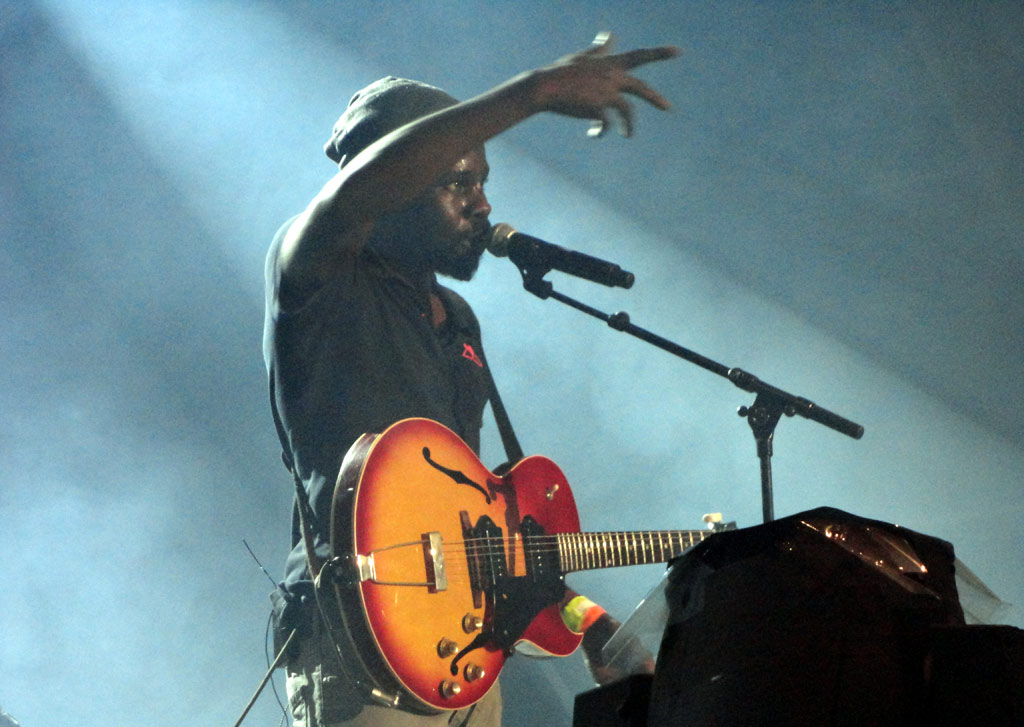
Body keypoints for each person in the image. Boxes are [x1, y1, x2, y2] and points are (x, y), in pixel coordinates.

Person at [263, 33, 679, 727]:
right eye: (458, 182)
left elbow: (479, 527)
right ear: (393, 185)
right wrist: (536, 90)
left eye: (483, 182)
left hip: (463, 660)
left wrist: (584, 616)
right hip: (364, 653)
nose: (482, 204)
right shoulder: (316, 273)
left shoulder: (457, 320)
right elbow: (359, 191)